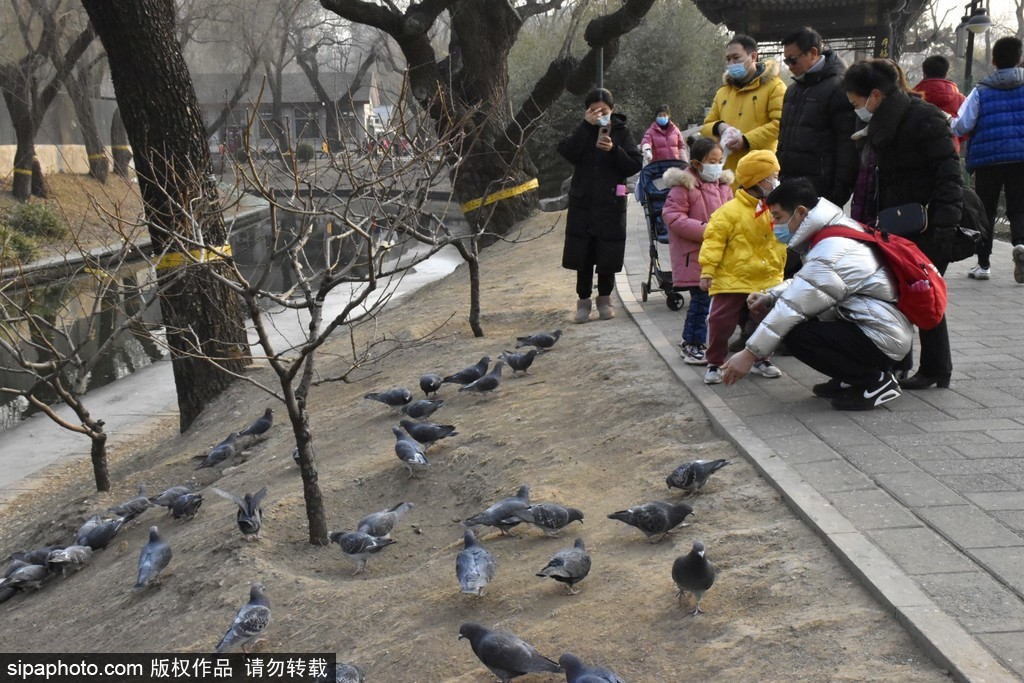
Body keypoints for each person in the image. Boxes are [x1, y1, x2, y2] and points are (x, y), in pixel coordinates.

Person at [720, 179, 911, 411]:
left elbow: (795, 304)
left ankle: (874, 382)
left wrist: (749, 354)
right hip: (876, 326)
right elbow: (808, 283)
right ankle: (849, 377)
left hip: (881, 337)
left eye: (779, 218)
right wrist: (770, 295)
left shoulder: (832, 250)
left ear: (800, 212)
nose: (775, 226)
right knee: (805, 319)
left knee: (796, 335)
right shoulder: (832, 231)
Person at [843, 59, 962, 391]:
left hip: (927, 223)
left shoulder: (924, 118)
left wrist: (945, 227)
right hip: (896, 221)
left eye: (857, 102)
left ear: (876, 95)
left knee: (922, 294)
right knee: (903, 293)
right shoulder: (883, 123)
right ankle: (904, 364)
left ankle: (936, 367)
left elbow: (950, 175)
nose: (856, 109)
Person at [698, 150, 787, 384]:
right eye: (773, 176)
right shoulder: (728, 213)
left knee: (766, 322)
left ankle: (761, 358)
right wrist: (708, 270)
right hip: (732, 278)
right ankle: (715, 363)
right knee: (720, 321)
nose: (777, 180)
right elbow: (713, 242)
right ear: (758, 181)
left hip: (767, 278)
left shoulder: (776, 209)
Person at [557, 87, 643, 323]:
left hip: (610, 203)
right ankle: (583, 301)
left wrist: (614, 150)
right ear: (587, 111)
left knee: (608, 252)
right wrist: (586, 127)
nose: (599, 115)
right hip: (583, 203)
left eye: (603, 111)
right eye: (594, 111)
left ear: (612, 110)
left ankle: (605, 299)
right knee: (582, 254)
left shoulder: (622, 132)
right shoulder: (582, 131)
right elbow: (566, 151)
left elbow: (635, 164)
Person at [952, 36, 1024, 283]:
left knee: (986, 211)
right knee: (1020, 207)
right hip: (1021, 159)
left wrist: (949, 123)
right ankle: (1021, 245)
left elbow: (962, 125)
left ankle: (983, 264)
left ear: (993, 60)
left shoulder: (980, 91)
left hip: (988, 160)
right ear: (1020, 59)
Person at [662, 137, 735, 365]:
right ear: (696, 163)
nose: (717, 165)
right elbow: (673, 218)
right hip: (694, 257)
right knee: (701, 302)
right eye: (712, 161)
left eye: (720, 160)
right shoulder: (683, 186)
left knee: (714, 304)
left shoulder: (723, 186)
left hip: (720, 256)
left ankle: (704, 342)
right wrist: (709, 231)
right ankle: (691, 343)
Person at [777, 27, 857, 208]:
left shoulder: (839, 88)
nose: (789, 66)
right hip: (789, 187)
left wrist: (839, 192)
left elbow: (847, 145)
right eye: (785, 61)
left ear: (813, 52)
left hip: (822, 190)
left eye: (792, 60)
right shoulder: (792, 90)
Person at [701, 34, 786, 185]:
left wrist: (747, 141)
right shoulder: (723, 92)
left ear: (753, 56)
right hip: (727, 177)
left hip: (759, 177)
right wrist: (719, 127)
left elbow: (780, 124)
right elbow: (706, 126)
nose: (731, 63)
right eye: (728, 59)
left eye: (736, 57)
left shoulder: (775, 87)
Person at [913, 54, 966, 153]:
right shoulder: (960, 99)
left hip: (918, 151)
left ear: (924, 74)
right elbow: (965, 129)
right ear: (945, 74)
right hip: (950, 151)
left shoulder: (912, 98)